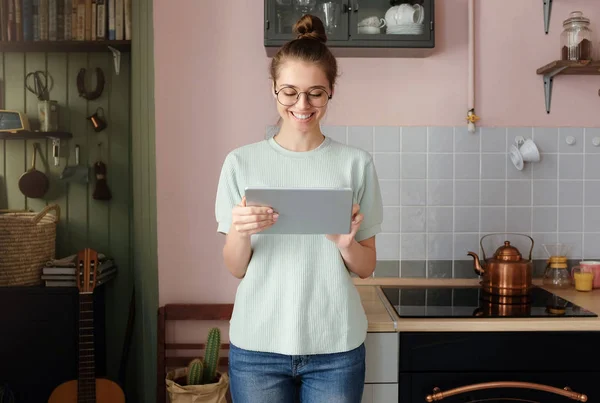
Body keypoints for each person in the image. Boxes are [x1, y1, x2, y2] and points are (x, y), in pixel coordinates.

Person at [214, 13, 383, 403]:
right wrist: (240, 230)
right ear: (273, 89)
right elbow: (237, 267)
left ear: (330, 92)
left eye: (315, 92)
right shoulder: (240, 163)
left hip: (336, 348)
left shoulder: (356, 164)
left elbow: (367, 266)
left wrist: (346, 245)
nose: (302, 104)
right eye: (289, 91)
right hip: (257, 348)